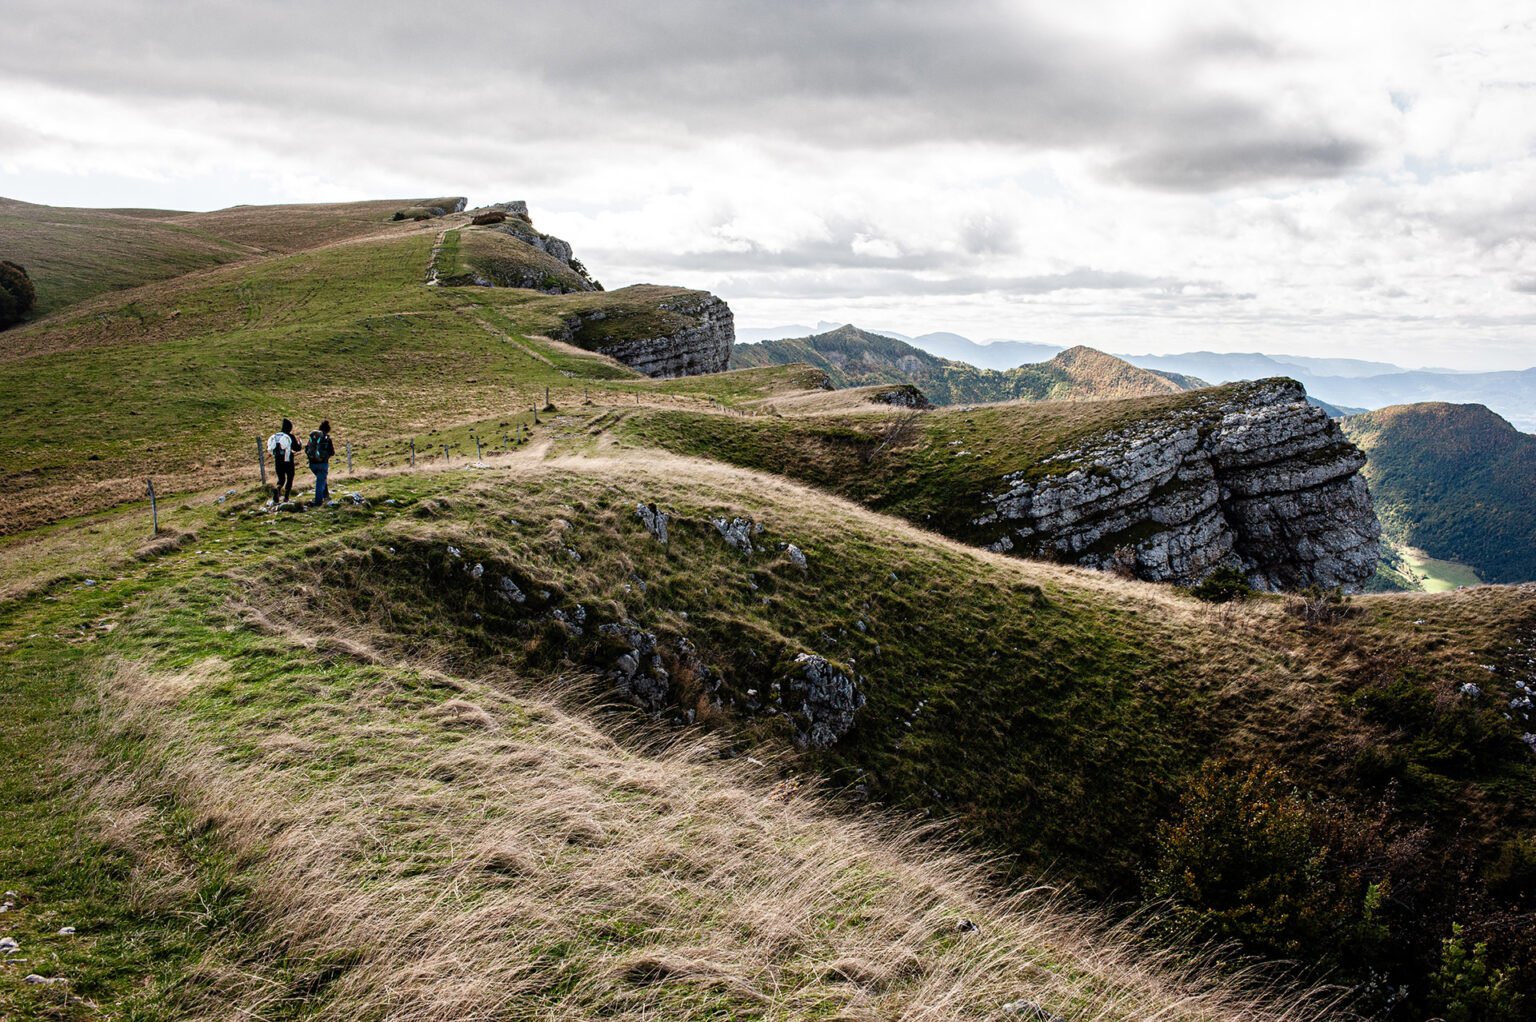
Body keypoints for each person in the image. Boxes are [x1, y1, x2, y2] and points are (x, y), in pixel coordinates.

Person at [266, 418, 299, 503]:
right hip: (288, 461)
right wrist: (299, 442)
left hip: (278, 461)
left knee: (281, 479)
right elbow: (297, 448)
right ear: (289, 427)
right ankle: (286, 497)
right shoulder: (290, 436)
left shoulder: (276, 436)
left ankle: (278, 489)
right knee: (290, 477)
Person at [305, 420, 336, 506]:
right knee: (320, 481)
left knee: (322, 479)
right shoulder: (327, 438)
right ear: (328, 429)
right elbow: (332, 452)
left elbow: (306, 449)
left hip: (312, 464)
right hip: (323, 464)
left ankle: (326, 495)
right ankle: (318, 502)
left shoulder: (313, 437)